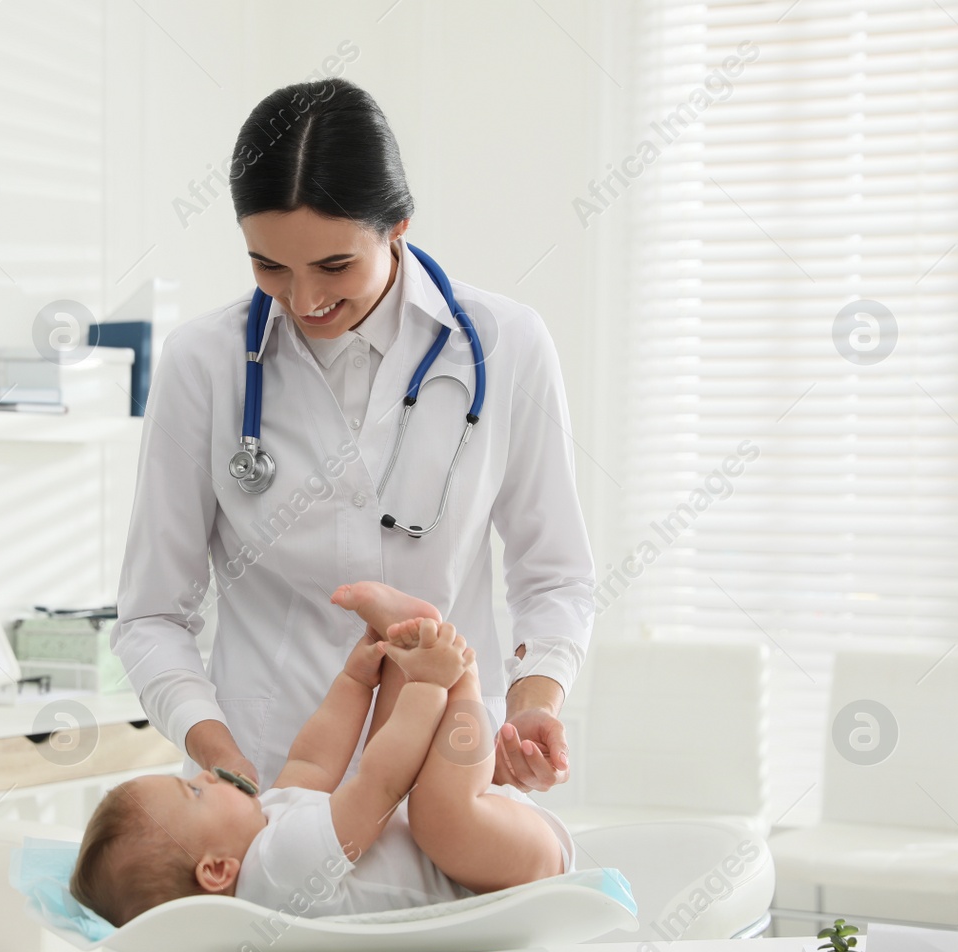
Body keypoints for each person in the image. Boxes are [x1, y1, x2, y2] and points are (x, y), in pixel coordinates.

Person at [111, 76, 596, 824]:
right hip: (267, 784)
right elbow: (151, 614)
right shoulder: (202, 363)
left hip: (454, 780)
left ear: (398, 226)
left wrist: (536, 701)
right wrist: (218, 750)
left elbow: (556, 572)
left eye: (334, 266)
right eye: (269, 266)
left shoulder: (506, 346)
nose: (303, 300)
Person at [74, 582, 573, 926]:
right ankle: (460, 674)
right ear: (215, 870)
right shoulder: (273, 873)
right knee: (431, 811)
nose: (205, 777)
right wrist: (431, 683)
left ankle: (403, 641)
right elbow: (378, 786)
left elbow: (313, 762)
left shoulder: (266, 827)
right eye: (192, 791)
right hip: (519, 870)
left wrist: (357, 679)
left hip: (488, 849)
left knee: (411, 776)